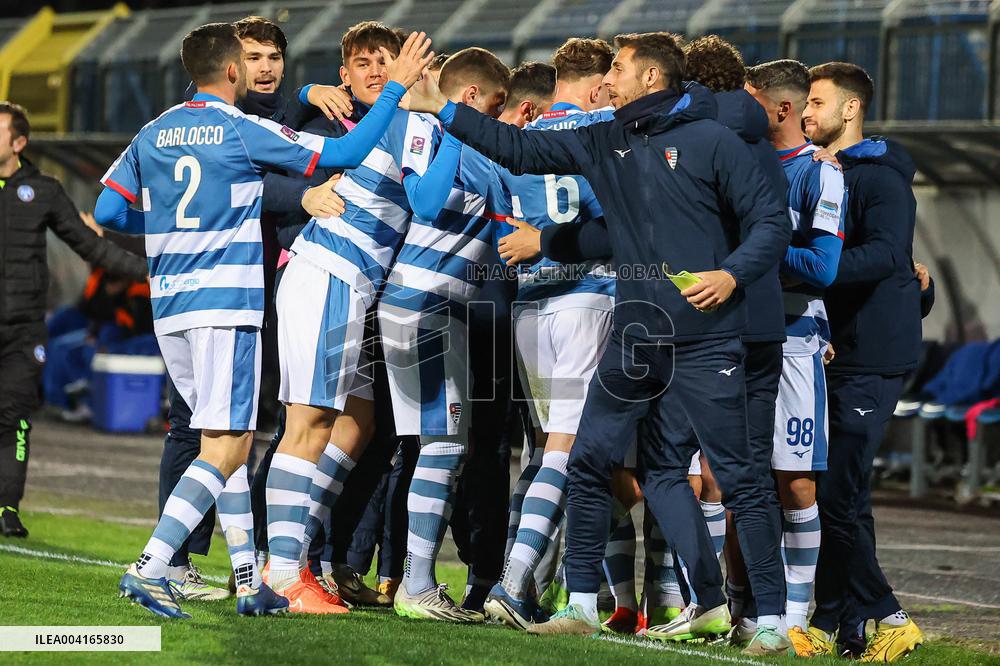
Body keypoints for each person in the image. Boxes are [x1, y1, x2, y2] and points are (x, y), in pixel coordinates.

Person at [406, 31, 793, 655]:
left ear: (650, 79)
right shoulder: (604, 137)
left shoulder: (712, 139)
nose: (608, 78)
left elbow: (771, 222)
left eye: (619, 67)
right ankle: (585, 603)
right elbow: (520, 148)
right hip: (636, 334)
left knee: (742, 478)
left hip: (706, 337)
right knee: (588, 460)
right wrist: (443, 109)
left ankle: (772, 620)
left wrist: (731, 274)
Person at [94, 21, 431, 619]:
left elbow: (107, 208)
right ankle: (152, 567)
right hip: (228, 297)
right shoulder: (239, 127)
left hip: (171, 300)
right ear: (233, 71)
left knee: (222, 440)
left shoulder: (153, 129)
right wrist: (400, 87)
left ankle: (251, 576)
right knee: (229, 444)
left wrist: (173, 231)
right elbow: (346, 153)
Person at [482, 37, 617, 632]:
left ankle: (522, 583)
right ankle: (516, 581)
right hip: (582, 299)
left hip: (528, 305)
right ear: (593, 86)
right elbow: (610, 222)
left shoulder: (519, 139)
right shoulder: (597, 137)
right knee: (566, 449)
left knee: (539, 451)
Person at [800, 62, 926, 662]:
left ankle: (886, 615)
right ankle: (845, 626)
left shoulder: (879, 179)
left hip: (871, 355)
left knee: (837, 497)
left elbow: (884, 257)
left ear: (850, 109)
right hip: (841, 349)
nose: (806, 112)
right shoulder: (824, 172)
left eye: (817, 102)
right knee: (843, 493)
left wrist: (805, 272)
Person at [0, 102, 147, 539]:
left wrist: (149, 273)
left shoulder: (43, 191)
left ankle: (8, 507)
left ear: (19, 142)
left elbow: (91, 247)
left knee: (14, 416)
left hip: (23, 330)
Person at [743, 58, 846, 650]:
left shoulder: (819, 175)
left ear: (776, 108)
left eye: (750, 100)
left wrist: (753, 254)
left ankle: (798, 615)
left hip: (792, 339)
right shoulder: (737, 160)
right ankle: (739, 609)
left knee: (794, 484)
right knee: (725, 482)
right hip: (733, 335)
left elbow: (823, 268)